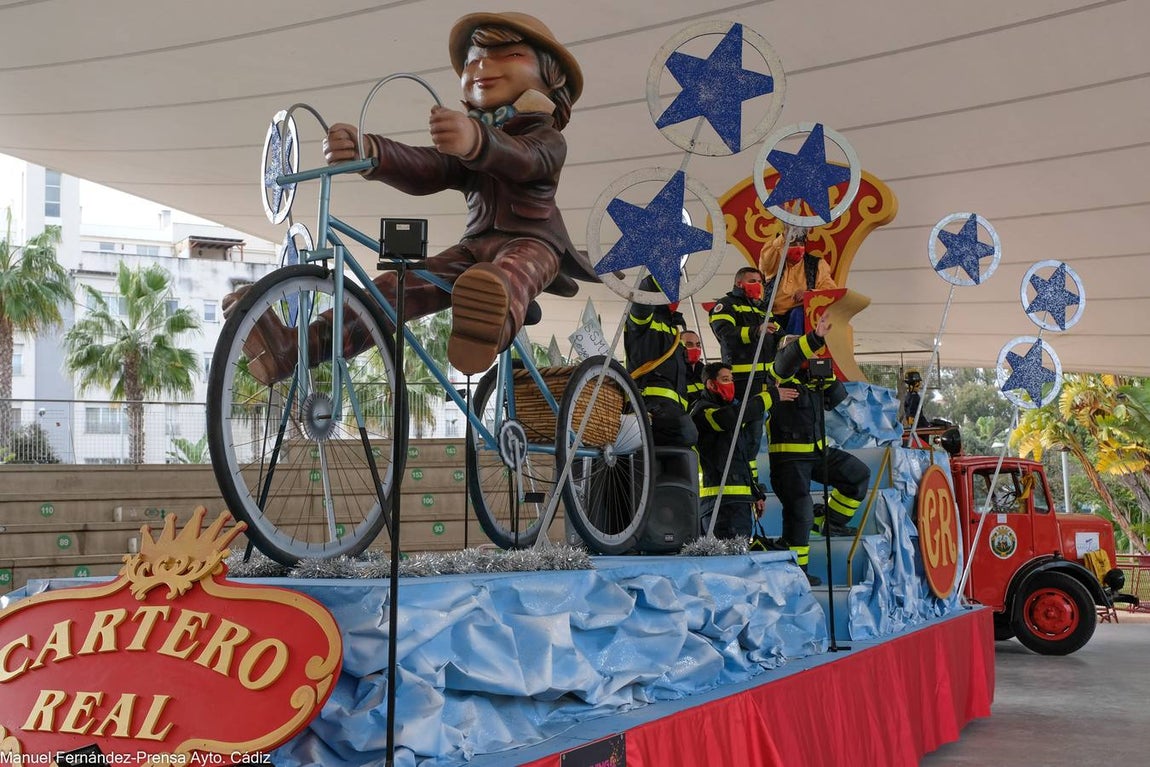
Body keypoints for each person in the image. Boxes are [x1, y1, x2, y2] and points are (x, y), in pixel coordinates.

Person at [228, 12, 597, 383]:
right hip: (473, 249)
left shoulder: (547, 138)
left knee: (509, 276)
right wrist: (372, 151)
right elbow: (431, 167)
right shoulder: (475, 132)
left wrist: (477, 141)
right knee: (396, 289)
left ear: (553, 77)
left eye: (510, 55)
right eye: (473, 61)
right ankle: (296, 347)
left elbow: (527, 160)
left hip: (536, 243)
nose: (483, 67)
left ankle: (491, 324)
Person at [766, 327, 871, 586]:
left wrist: (826, 378)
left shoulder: (810, 380)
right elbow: (788, 358)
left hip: (817, 452)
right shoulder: (777, 374)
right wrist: (813, 338)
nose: (807, 354)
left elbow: (836, 399)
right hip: (789, 460)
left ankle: (831, 522)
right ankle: (797, 572)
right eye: (798, 348)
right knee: (800, 512)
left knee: (858, 475)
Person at [691, 362, 791, 539]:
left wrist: (755, 494)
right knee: (729, 555)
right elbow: (729, 418)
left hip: (738, 503)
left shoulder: (728, 413)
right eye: (725, 379)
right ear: (711, 384)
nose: (730, 384)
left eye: (731, 380)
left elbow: (740, 460)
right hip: (720, 505)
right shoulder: (703, 411)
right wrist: (768, 397)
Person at [708, 267, 776, 483]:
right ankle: (739, 479)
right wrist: (755, 331)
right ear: (739, 283)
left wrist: (790, 340)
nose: (758, 285)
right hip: (741, 381)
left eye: (760, 281)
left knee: (756, 436)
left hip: (765, 381)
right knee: (745, 433)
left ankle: (750, 482)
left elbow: (776, 334)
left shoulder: (763, 309)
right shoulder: (725, 305)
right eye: (752, 280)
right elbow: (724, 333)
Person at [623, 276, 697, 448]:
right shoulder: (645, 322)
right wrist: (661, 271)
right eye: (671, 288)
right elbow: (641, 300)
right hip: (651, 407)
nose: (675, 294)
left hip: (673, 411)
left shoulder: (674, 331)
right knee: (687, 433)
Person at [757, 226, 838, 336]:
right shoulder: (775, 262)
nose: (798, 248)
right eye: (793, 244)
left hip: (800, 316)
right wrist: (785, 236)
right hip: (773, 315)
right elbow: (765, 260)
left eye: (801, 244)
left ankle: (793, 343)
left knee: (798, 313)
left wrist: (808, 294)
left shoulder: (817, 265)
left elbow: (831, 291)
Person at [680, 329, 706, 408]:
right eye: (689, 344)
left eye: (697, 345)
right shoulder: (674, 374)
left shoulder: (707, 373)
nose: (695, 348)